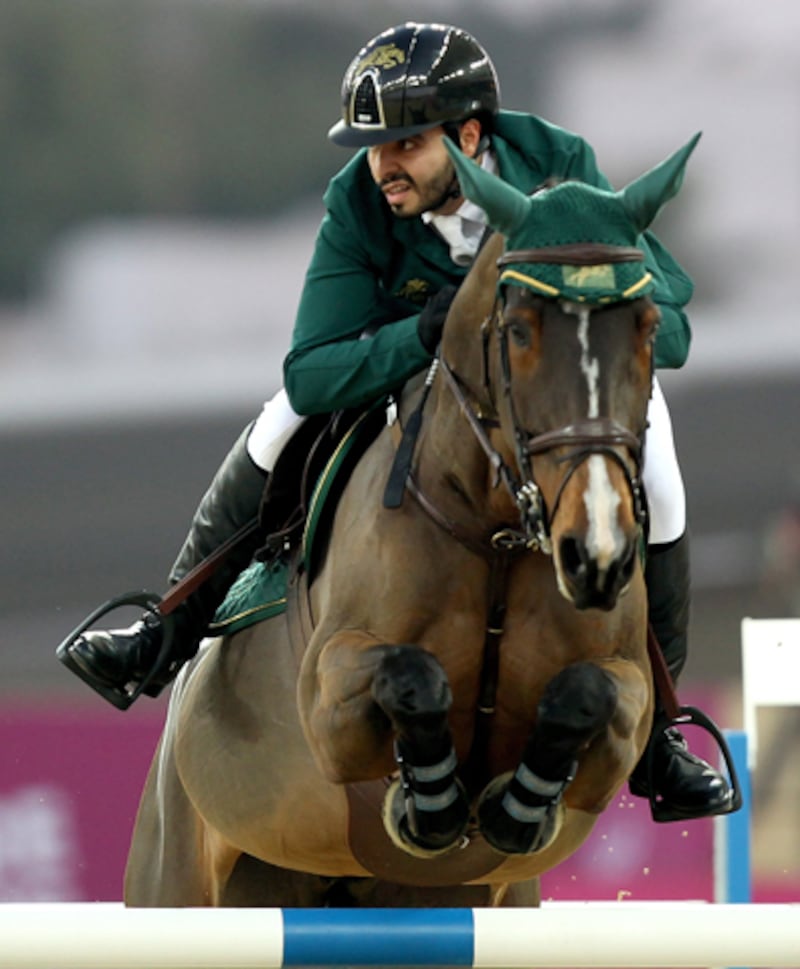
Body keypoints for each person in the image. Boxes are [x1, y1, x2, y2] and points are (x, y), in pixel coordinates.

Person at [58, 22, 732, 820]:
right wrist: (420, 335)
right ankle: (166, 629)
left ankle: (659, 729)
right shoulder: (357, 202)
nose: (383, 166)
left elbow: (673, 323)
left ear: (471, 134)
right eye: (375, 146)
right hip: (411, 370)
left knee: (658, 457)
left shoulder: (560, 167)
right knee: (277, 423)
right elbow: (310, 372)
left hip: (548, 383)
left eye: (406, 143)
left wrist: (609, 317)